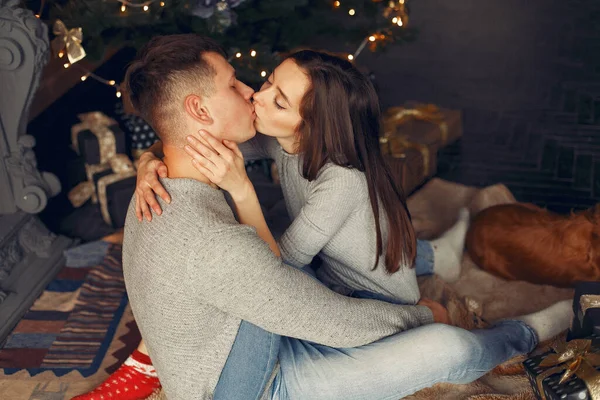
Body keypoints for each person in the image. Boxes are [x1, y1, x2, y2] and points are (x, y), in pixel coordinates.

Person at [74, 34, 572, 400]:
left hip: (247, 328)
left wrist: (148, 161)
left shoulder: (171, 179)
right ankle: (526, 332)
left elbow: (292, 284)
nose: (250, 92)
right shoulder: (216, 242)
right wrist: (426, 315)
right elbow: (335, 321)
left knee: (299, 269)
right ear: (199, 112)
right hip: (251, 386)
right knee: (448, 348)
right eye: (235, 84)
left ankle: (436, 263)